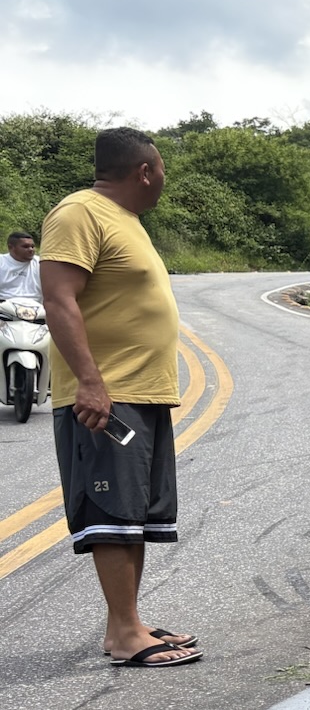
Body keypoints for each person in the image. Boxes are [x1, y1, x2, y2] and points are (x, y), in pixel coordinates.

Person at [40, 127, 200, 669]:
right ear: (145, 170)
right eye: (162, 171)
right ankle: (126, 632)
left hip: (141, 391)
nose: (163, 181)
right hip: (108, 392)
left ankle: (124, 624)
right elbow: (59, 300)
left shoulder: (124, 221)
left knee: (134, 514)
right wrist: (90, 381)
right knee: (110, 509)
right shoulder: (78, 213)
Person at [0, 232, 40, 301]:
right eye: (25, 246)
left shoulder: (41, 263)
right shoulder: (2, 262)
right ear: (11, 247)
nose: (31, 249)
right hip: (4, 304)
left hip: (36, 305)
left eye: (32, 246)